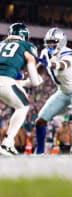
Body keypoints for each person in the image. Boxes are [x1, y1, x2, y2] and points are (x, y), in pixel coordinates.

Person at [0, 23, 42, 155]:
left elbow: (15, 79)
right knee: (23, 106)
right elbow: (35, 81)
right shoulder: (26, 46)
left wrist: (21, 81)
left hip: (6, 80)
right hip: (5, 80)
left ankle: (9, 143)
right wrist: (33, 80)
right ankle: (8, 142)